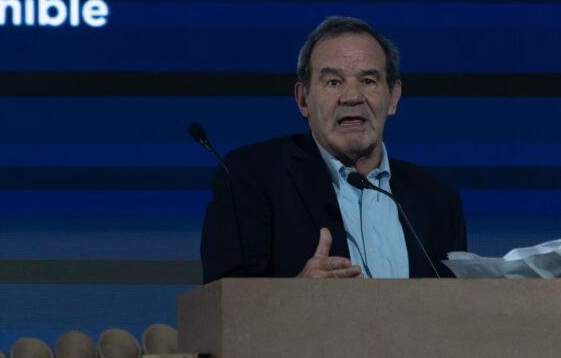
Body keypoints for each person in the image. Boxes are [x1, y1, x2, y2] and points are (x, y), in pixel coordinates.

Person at [200, 16, 467, 282]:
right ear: (303, 100)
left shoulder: (438, 200)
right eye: (333, 82)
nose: (352, 97)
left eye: (368, 81)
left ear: (393, 97)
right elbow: (226, 297)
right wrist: (297, 294)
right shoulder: (251, 177)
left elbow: (456, 304)